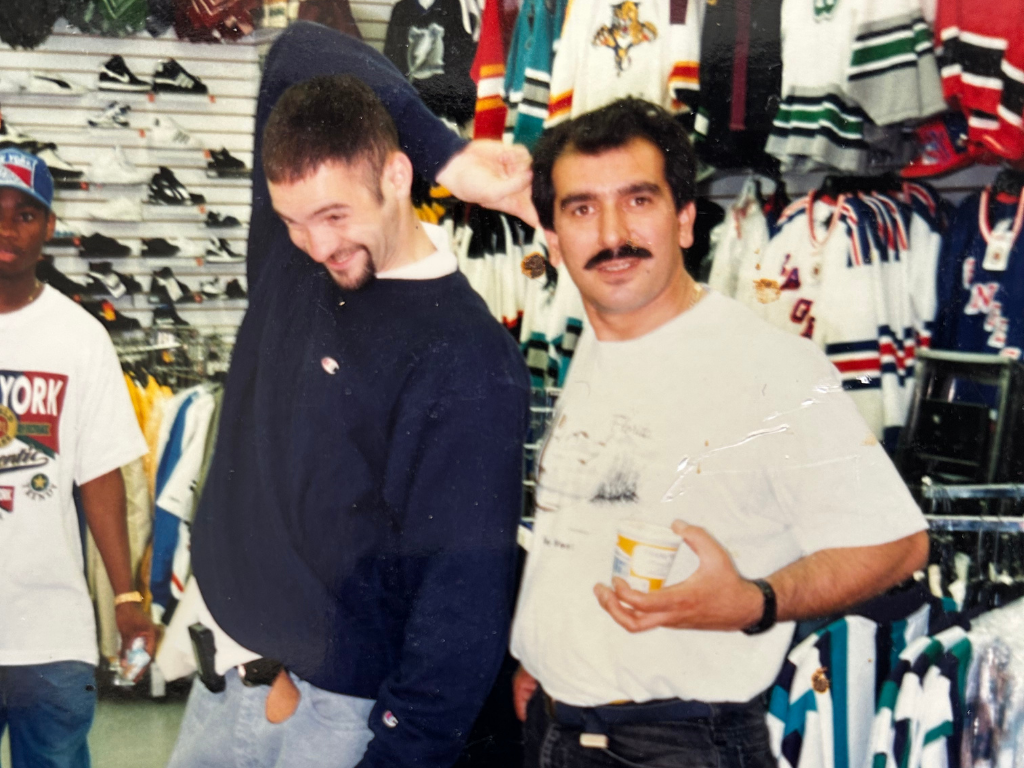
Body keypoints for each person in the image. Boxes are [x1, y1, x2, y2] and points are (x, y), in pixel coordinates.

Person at [509, 98, 931, 768]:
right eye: (582, 208)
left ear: (683, 221)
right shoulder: (597, 343)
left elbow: (896, 545)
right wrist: (543, 655)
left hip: (678, 745)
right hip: (560, 729)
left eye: (638, 200)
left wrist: (755, 602)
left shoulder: (768, 365)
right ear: (555, 240)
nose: (613, 233)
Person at [165, 22, 532, 768]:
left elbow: (460, 601)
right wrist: (451, 155)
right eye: (294, 221)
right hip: (220, 688)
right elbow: (298, 48)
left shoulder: (466, 356)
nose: (317, 244)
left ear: (397, 178)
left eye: (335, 217)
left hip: (336, 722)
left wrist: (398, 757)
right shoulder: (297, 255)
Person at [0, 147, 155, 767]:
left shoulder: (81, 336)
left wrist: (126, 598)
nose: (8, 228)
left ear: (50, 227)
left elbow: (100, 474)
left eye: (26, 213)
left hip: (52, 631)